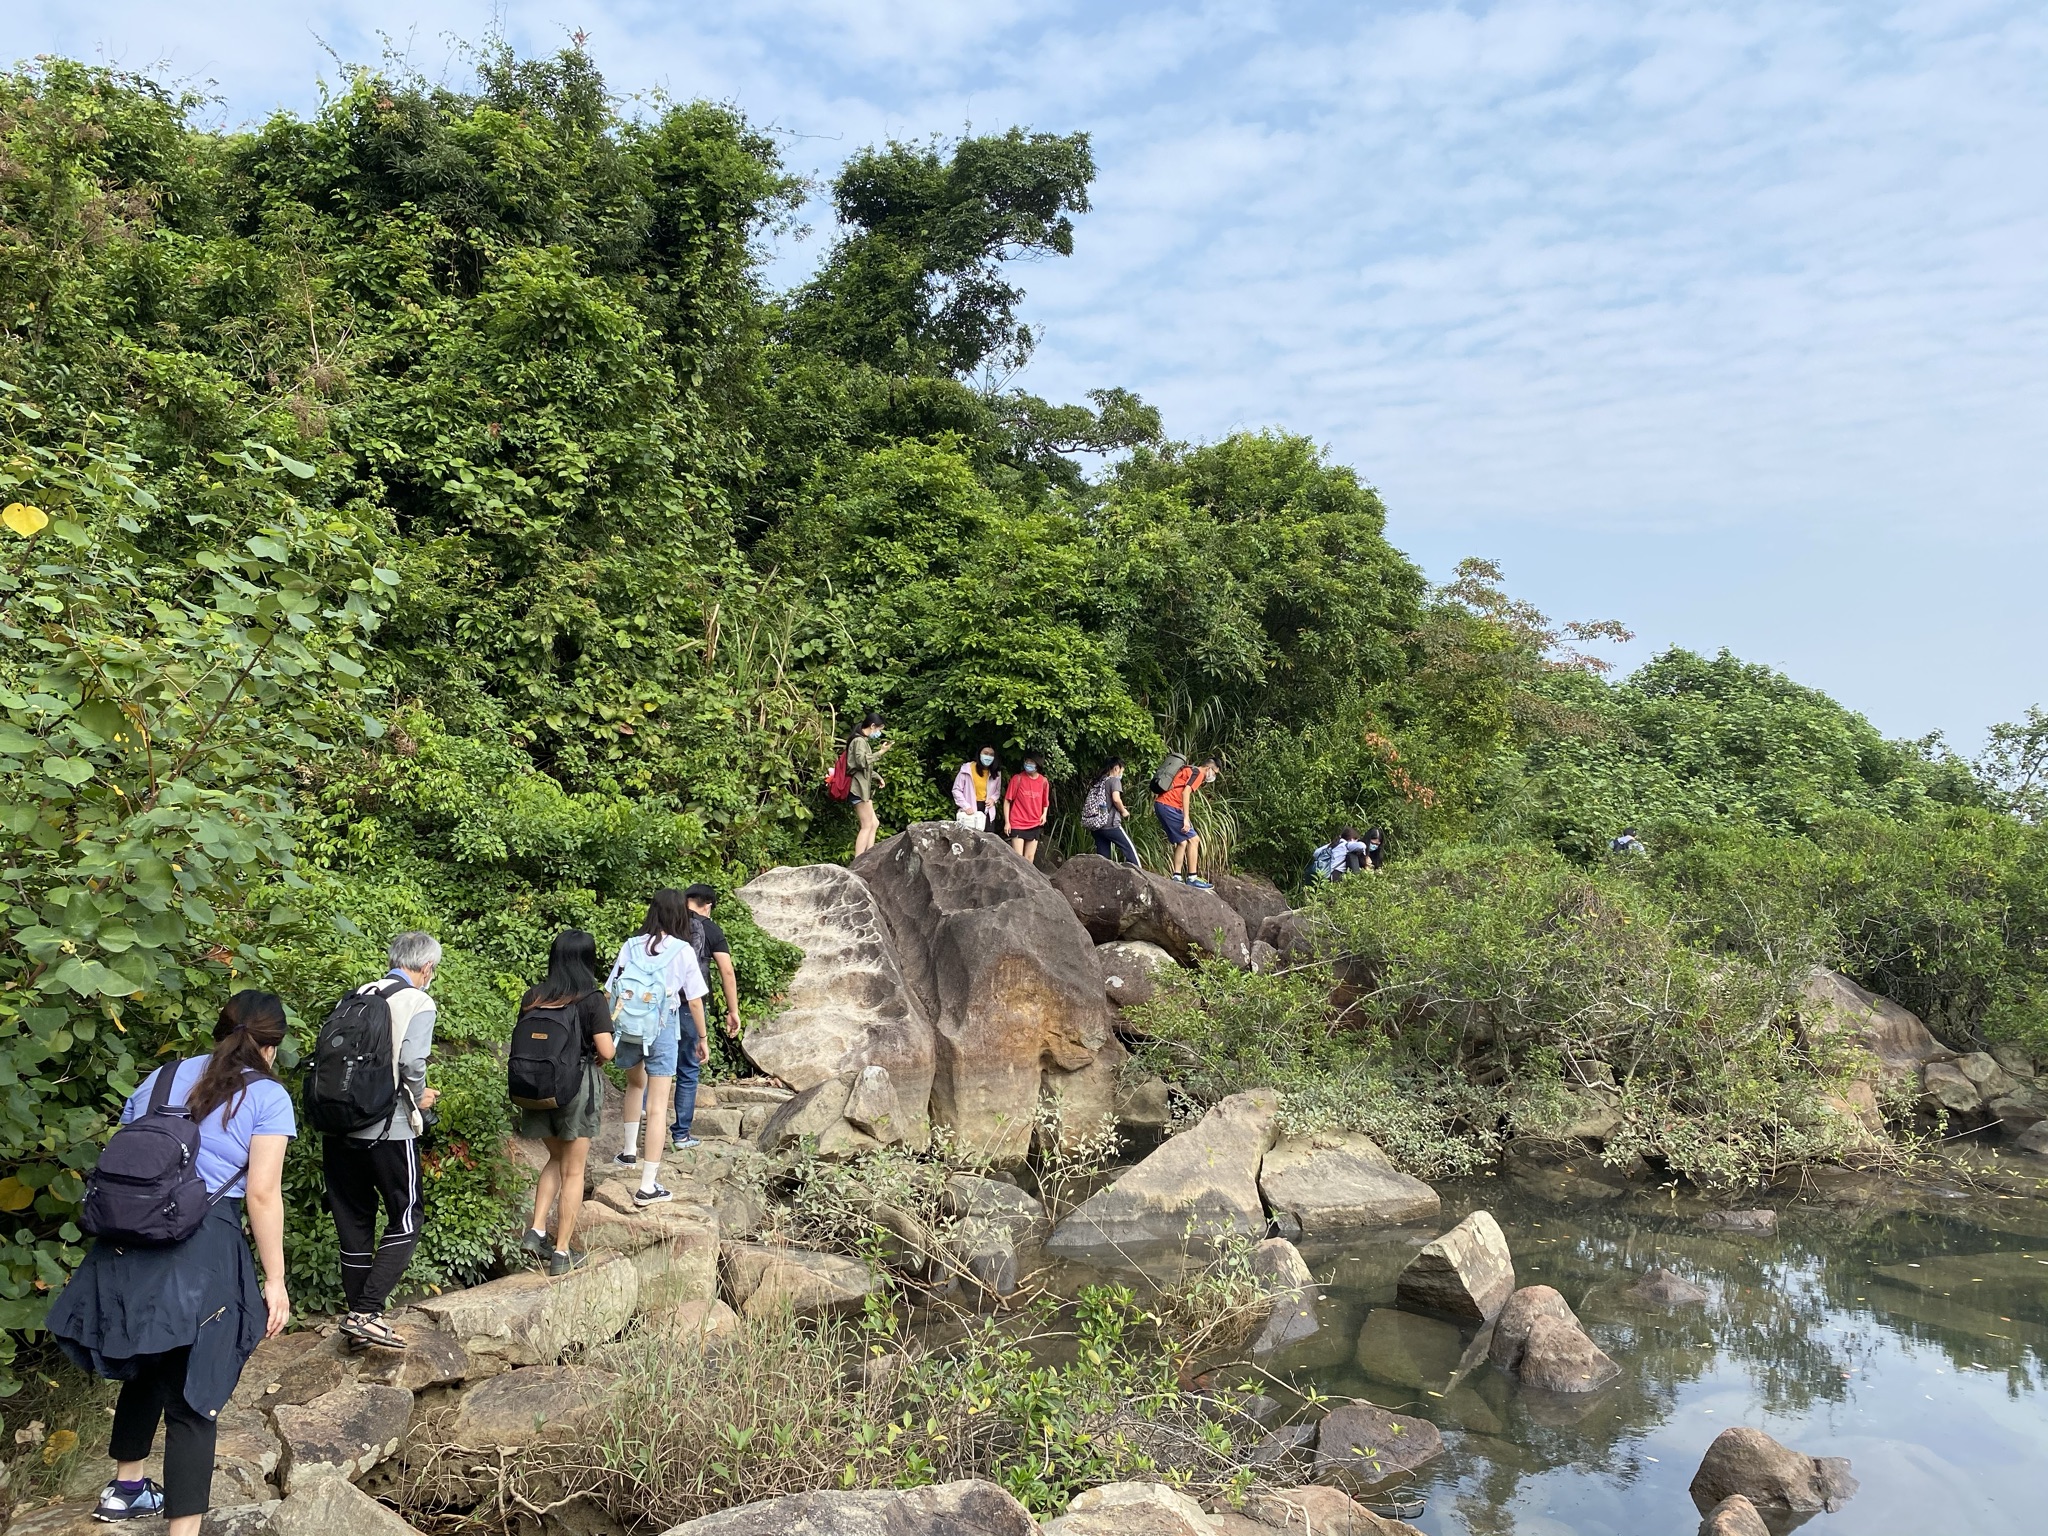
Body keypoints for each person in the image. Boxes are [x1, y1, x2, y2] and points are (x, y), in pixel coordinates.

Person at [46, 991, 294, 1535]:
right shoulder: (269, 1096)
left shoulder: (160, 1078)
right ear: (272, 1046)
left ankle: (126, 1487)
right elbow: (262, 1194)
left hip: (129, 1240)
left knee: (147, 1355)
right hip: (203, 1244)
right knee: (194, 1387)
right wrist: (275, 1282)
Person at [322, 931, 441, 1349]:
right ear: (426, 968)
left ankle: (358, 1324)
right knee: (406, 1215)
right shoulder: (417, 1000)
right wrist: (420, 1097)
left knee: (354, 1223)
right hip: (387, 1128)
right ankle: (368, 1312)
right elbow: (411, 1061)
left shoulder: (355, 994)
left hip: (338, 1126)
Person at [516, 930, 616, 1275]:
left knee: (555, 1158)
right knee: (574, 1170)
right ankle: (561, 1252)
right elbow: (606, 1051)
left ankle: (537, 1229)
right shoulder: (592, 998)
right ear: (588, 959)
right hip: (577, 1088)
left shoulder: (534, 996)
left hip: (536, 1089)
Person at [608, 889, 710, 1203]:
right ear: (679, 913)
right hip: (663, 1028)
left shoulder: (631, 944)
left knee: (635, 1086)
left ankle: (627, 1153)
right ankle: (648, 1186)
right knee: (657, 1107)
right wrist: (703, 1039)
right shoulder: (682, 950)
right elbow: (693, 1001)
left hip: (629, 1027)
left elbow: (610, 989)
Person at [674, 884, 744, 1144]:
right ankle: (681, 1134)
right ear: (709, 905)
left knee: (652, 1066)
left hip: (659, 1005)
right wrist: (732, 1010)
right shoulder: (710, 928)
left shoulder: (668, 923)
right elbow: (727, 970)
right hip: (691, 1005)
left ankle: (643, 1129)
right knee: (689, 1068)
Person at [1154, 756, 1219, 888]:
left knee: (1182, 842)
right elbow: (1186, 792)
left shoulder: (1189, 769)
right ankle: (1192, 878)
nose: (1213, 776)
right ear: (1210, 768)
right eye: (1215, 773)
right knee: (1194, 840)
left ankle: (1176, 876)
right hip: (1169, 806)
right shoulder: (1199, 773)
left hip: (1162, 804)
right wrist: (1186, 819)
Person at [1081, 756, 1141, 866]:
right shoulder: (1114, 780)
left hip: (1096, 825)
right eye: (1122, 770)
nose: (1121, 773)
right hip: (1110, 824)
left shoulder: (1099, 781)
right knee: (1129, 849)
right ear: (1116, 768)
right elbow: (1116, 799)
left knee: (1103, 859)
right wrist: (1123, 811)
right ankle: (1142, 877)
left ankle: (1102, 880)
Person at [847, 712, 890, 858]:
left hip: (863, 788)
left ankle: (868, 856)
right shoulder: (859, 741)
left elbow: (865, 766)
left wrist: (877, 777)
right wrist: (880, 753)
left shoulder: (863, 741)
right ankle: (859, 860)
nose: (879, 733)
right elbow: (860, 763)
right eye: (879, 729)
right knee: (866, 825)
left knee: (874, 823)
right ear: (872, 726)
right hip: (857, 788)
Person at [1004, 751, 1052, 863]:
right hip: (1017, 822)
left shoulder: (1044, 781)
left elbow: (1045, 802)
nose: (1028, 764)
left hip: (1035, 823)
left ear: (1038, 765)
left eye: (1031, 762)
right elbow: (1007, 800)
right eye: (1027, 761)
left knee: (1029, 859)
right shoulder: (1017, 778)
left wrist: (1044, 815)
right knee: (1018, 859)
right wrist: (1007, 822)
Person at [951, 747, 1004, 832]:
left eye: (991, 755)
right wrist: (965, 806)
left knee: (987, 839)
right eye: (985, 753)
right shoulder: (967, 769)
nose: (988, 756)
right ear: (979, 754)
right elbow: (956, 790)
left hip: (987, 810)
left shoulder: (996, 773)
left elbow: (997, 792)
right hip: (970, 808)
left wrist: (993, 799)